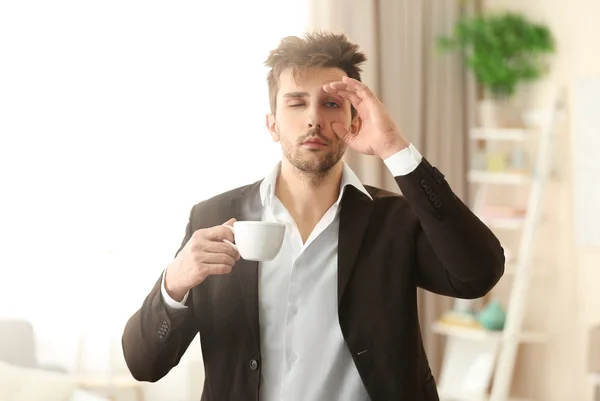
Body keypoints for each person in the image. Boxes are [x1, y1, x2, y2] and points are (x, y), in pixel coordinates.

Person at [121, 31, 504, 401]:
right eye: (296, 102)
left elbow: (477, 274)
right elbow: (144, 364)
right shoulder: (214, 217)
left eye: (331, 103)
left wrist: (394, 149)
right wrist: (174, 284)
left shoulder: (395, 221)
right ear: (272, 125)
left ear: (355, 123)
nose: (313, 119)